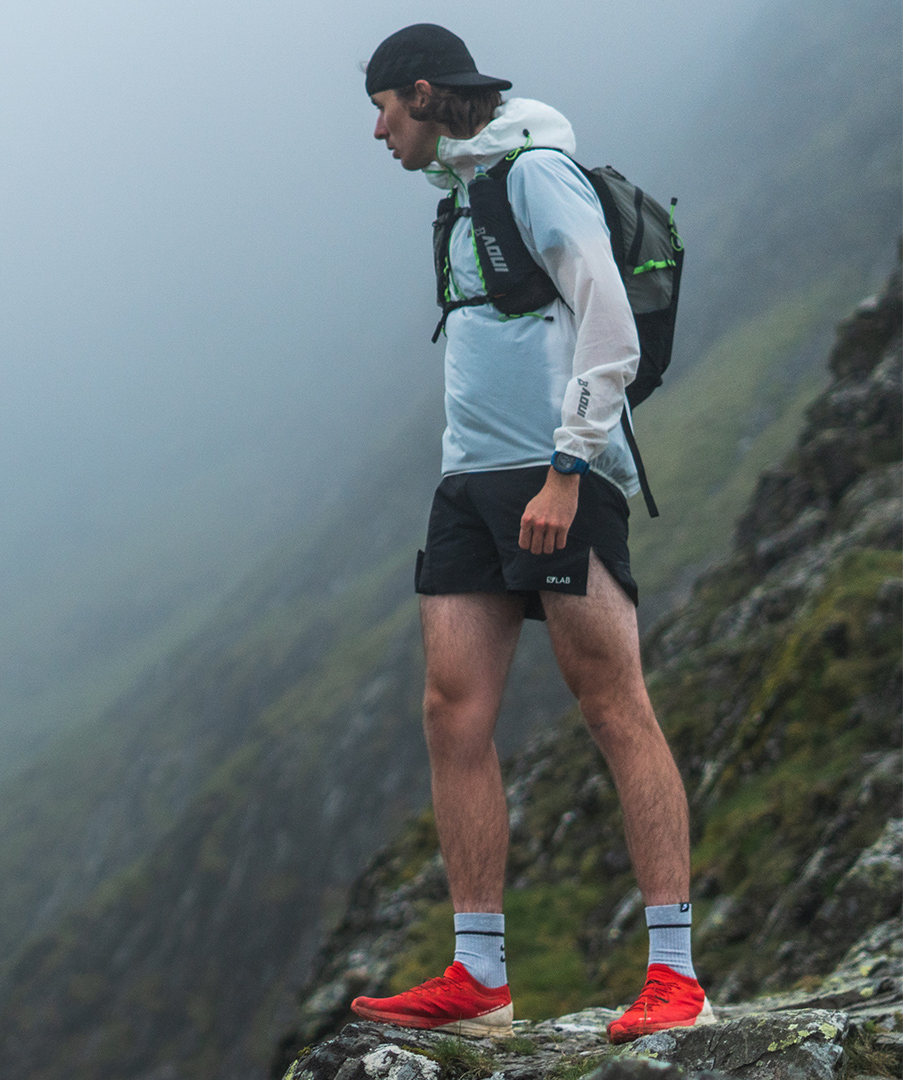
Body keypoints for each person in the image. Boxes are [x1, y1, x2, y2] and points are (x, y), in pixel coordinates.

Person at [344, 24, 711, 1044]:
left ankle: (678, 975)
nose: (376, 133)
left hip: (558, 478)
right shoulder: (461, 195)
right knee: (450, 713)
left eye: (381, 108)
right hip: (467, 485)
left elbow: (609, 327)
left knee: (611, 704)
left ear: (422, 92)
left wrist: (566, 468)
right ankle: (481, 979)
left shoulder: (538, 174)